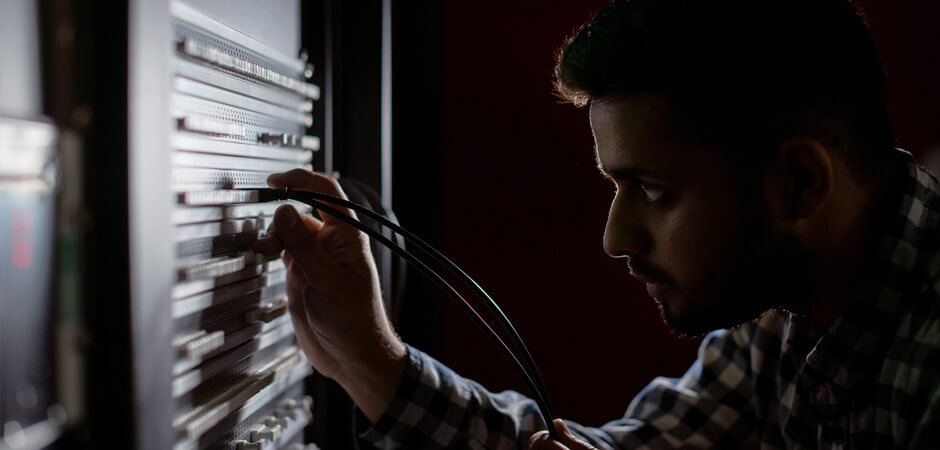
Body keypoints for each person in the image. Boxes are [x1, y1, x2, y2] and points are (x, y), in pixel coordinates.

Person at [253, 0, 940, 448]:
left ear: (800, 182)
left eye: (654, 190)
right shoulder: (778, 313)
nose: (616, 239)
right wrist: (370, 359)